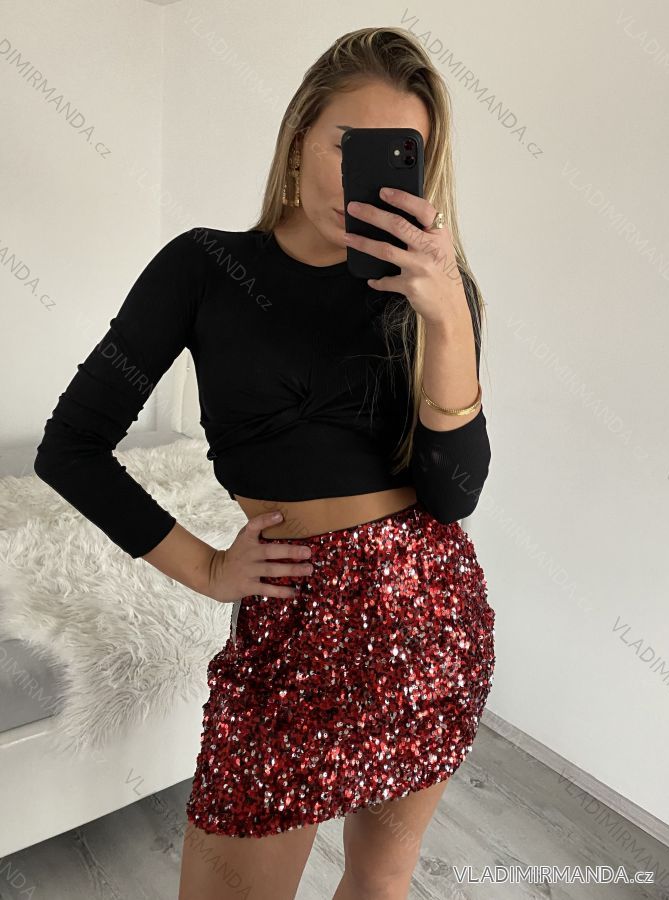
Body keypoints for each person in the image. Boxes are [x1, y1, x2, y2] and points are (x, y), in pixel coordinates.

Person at [34, 26, 496, 900]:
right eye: (349, 146)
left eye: (399, 157)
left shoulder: (436, 294)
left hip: (429, 623)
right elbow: (72, 446)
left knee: (381, 880)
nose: (368, 180)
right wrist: (206, 568)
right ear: (298, 136)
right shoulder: (202, 268)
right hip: (290, 632)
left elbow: (454, 493)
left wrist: (447, 320)